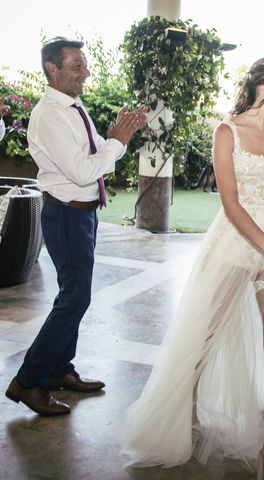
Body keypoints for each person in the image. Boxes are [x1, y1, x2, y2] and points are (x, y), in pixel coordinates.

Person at [121, 57, 264, 480]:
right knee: (201, 342)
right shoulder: (227, 131)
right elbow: (231, 203)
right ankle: (182, 417)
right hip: (237, 241)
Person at [4, 37, 147, 416]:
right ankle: (28, 381)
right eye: (77, 66)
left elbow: (100, 153)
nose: (86, 72)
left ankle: (59, 371)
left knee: (74, 294)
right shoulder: (49, 115)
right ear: (52, 69)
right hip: (65, 215)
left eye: (84, 64)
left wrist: (118, 139)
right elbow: (86, 170)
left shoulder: (74, 106)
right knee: (75, 298)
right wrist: (116, 142)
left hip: (83, 214)